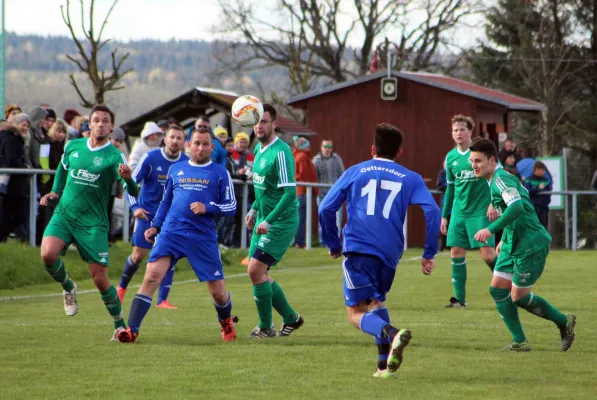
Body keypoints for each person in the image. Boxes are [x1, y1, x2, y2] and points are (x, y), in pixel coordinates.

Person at [319, 123, 440, 378]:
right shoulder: (411, 177)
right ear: (400, 153)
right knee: (376, 301)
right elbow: (433, 212)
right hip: (390, 253)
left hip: (360, 247)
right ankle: (383, 367)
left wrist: (333, 244)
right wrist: (429, 252)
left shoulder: (355, 171)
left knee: (354, 313)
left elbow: (325, 209)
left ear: (372, 148)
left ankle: (392, 333)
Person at [117, 128, 238, 343]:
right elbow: (166, 202)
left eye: (205, 144)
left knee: (218, 293)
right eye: (197, 143)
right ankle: (131, 330)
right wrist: (155, 226)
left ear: (212, 147)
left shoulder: (220, 172)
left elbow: (231, 206)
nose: (200, 148)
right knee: (151, 275)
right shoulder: (176, 169)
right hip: (172, 232)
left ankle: (226, 321)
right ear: (188, 145)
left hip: (202, 236)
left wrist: (207, 207)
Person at [38, 105, 139, 340]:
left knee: (100, 279)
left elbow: (132, 189)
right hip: (65, 214)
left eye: (106, 121)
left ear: (112, 127)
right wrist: (55, 191)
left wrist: (128, 179)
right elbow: (63, 169)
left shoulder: (115, 156)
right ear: (89, 124)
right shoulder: (73, 146)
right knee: (47, 255)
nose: (101, 124)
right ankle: (68, 286)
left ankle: (119, 326)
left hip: (93, 223)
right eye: (97, 120)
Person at [470, 139, 576, 352]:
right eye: (472, 161)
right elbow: (516, 208)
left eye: (478, 161)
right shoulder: (494, 180)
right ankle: (520, 342)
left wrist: (491, 230)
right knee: (498, 288)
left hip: (530, 243)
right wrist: (504, 239)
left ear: (492, 161)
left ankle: (564, 322)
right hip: (513, 241)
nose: (474, 166)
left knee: (519, 297)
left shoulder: (501, 179)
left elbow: (517, 207)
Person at [244, 104, 304, 338]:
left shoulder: (281, 152)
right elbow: (264, 189)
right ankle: (291, 318)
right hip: (263, 218)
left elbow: (289, 193)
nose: (259, 126)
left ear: (274, 124)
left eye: (264, 121)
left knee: (255, 270)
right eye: (256, 121)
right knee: (258, 273)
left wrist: (268, 220)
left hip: (281, 221)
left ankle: (265, 327)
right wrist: (253, 209)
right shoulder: (259, 150)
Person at [117, 126, 189, 308]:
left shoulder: (187, 163)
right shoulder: (150, 158)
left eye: (179, 138)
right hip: (147, 215)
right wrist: (135, 207)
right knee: (138, 255)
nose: (175, 141)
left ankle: (163, 299)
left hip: (170, 219)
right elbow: (129, 184)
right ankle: (121, 288)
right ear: (165, 139)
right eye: (172, 137)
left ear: (183, 142)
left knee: (169, 255)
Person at [441, 115, 497, 308]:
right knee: (456, 253)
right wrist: (444, 216)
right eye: (455, 130)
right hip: (458, 213)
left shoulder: (481, 152)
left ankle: (510, 284)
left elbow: (496, 177)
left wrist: (493, 203)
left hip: (480, 212)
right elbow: (450, 188)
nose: (458, 133)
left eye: (462, 129)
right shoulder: (450, 157)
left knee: (488, 255)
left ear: (470, 132)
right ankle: (459, 300)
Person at [313, 139, 344, 246]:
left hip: (336, 195)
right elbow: (314, 178)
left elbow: (342, 175)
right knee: (322, 220)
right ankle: (323, 242)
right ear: (321, 147)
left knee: (337, 220)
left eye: (329, 146)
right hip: (322, 195)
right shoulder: (316, 160)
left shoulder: (337, 159)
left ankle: (336, 243)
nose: (327, 149)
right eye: (325, 147)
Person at [292, 136, 318, 248]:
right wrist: (311, 189)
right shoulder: (302, 157)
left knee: (299, 217)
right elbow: (304, 175)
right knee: (301, 218)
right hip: (302, 192)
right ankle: (300, 242)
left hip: (299, 192)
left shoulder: (296, 156)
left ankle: (297, 241)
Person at [523, 161, 552, 229]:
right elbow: (527, 190)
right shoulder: (529, 179)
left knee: (543, 227)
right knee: (533, 227)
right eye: (542, 170)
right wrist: (538, 188)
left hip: (543, 207)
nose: (544, 172)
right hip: (532, 207)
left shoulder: (546, 180)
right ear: (537, 169)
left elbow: (548, 191)